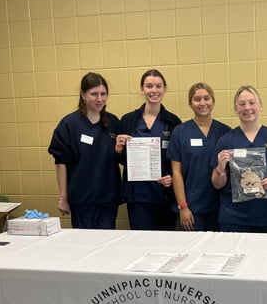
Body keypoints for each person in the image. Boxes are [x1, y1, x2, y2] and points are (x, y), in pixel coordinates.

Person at [48, 72, 121, 229]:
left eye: (103, 94)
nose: (99, 99)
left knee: (106, 244)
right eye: (94, 94)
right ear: (83, 95)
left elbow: (119, 157)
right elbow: (61, 163)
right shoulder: (69, 125)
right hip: (81, 199)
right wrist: (63, 197)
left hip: (108, 199)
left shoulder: (113, 123)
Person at [211, 85, 267, 233]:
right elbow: (217, 184)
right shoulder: (225, 141)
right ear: (235, 109)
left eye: (252, 102)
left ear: (260, 106)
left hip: (265, 215)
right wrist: (220, 168)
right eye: (242, 104)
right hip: (233, 217)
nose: (247, 108)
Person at [114, 69, 182, 230]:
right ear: (142, 89)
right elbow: (122, 160)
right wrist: (118, 149)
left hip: (164, 195)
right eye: (149, 86)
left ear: (165, 89)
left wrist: (172, 177)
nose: (154, 90)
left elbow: (179, 159)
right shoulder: (128, 120)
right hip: (138, 197)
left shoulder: (173, 122)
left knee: (166, 244)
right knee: (141, 243)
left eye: (158, 86)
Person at [167, 83, 230, 231]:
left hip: (221, 208)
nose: (202, 103)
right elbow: (176, 173)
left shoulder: (225, 132)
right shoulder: (180, 132)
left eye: (206, 98)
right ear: (190, 103)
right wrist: (183, 207)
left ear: (213, 101)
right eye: (197, 99)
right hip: (192, 208)